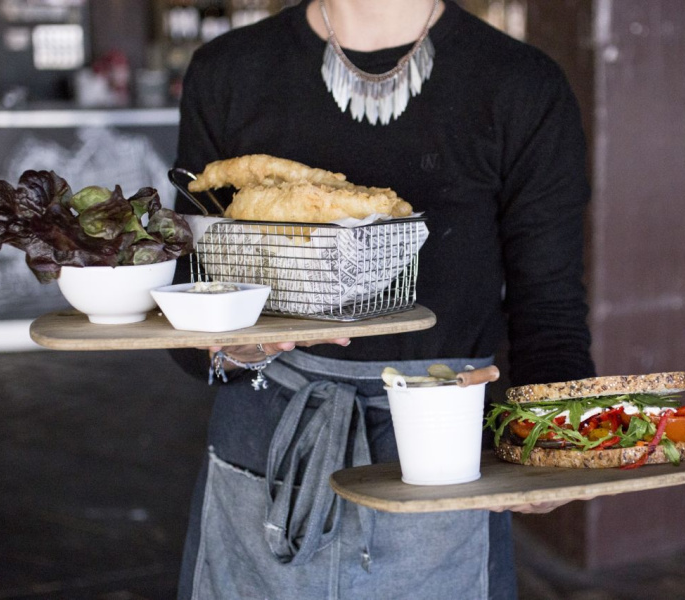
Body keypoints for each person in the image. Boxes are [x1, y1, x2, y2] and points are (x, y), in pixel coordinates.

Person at [171, 0, 595, 598]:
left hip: (442, 444)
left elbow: (549, 310)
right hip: (266, 436)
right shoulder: (228, 71)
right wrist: (234, 347)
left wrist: (556, 443)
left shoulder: (522, 85)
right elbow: (189, 295)